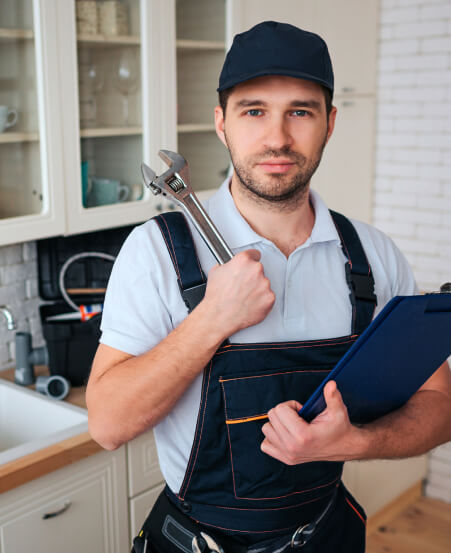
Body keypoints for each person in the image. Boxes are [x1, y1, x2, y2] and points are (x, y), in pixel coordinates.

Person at [86, 21, 451, 553]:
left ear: (329, 123)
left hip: (327, 535)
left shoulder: (372, 255)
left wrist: (358, 441)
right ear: (222, 123)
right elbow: (107, 424)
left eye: (299, 112)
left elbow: (440, 404)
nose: (277, 137)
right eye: (254, 111)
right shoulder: (156, 251)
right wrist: (212, 319)